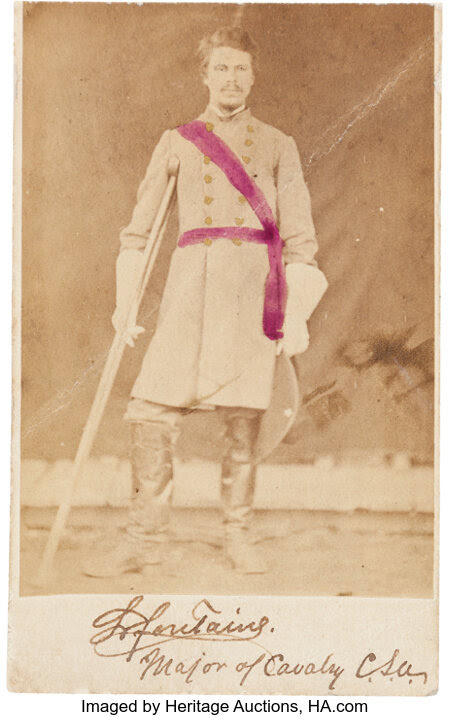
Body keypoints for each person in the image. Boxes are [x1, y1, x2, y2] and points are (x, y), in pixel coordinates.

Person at [83, 26, 327, 578]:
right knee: (151, 412)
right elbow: (138, 232)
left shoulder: (278, 145)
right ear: (205, 76)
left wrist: (295, 313)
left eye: (241, 68)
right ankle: (144, 539)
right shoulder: (178, 141)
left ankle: (238, 536)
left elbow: (301, 239)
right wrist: (125, 304)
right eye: (221, 68)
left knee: (243, 419)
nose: (231, 79)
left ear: (253, 77)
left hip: (251, 292)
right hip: (190, 290)